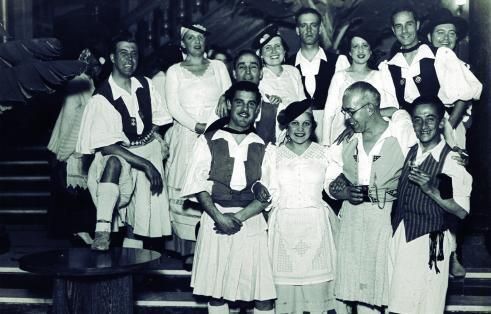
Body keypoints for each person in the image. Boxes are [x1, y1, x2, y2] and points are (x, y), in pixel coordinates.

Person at [180, 81, 275, 314]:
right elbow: (197, 184)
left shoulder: (265, 145)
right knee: (217, 292)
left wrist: (238, 218)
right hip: (215, 222)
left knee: (262, 295)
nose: (245, 109)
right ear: (230, 104)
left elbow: (268, 192)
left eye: (251, 104)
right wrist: (219, 217)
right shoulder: (207, 140)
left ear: (257, 109)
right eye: (239, 102)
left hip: (251, 222)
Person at [326, 81, 416, 313]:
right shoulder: (346, 139)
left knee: (387, 284)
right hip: (353, 219)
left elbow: (421, 155)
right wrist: (341, 191)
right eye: (345, 111)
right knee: (360, 290)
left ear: (370, 108)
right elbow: (329, 177)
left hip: (387, 216)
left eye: (350, 111)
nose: (346, 117)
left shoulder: (398, 133)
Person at [77, 33, 173, 250]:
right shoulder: (102, 97)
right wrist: (146, 164)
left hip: (147, 152)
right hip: (119, 155)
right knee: (113, 161)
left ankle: (132, 267)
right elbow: (107, 145)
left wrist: (149, 136)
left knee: (139, 221)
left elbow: (159, 118)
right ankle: (102, 230)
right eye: (123, 53)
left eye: (134, 54)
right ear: (112, 57)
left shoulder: (146, 85)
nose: (129, 59)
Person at [389, 97, 472, 314]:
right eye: (417, 120)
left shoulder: (450, 160)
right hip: (402, 238)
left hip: (429, 243)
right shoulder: (412, 152)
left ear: (442, 122)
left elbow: (461, 211)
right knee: (399, 306)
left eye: (430, 119)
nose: (423, 126)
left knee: (425, 307)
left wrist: (430, 189)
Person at [254, 99, 337, 314]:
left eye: (306, 124)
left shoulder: (325, 153)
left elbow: (332, 185)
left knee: (317, 294)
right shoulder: (273, 154)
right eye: (294, 124)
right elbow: (267, 187)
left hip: (316, 227)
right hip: (284, 228)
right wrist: (258, 188)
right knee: (285, 296)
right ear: (286, 126)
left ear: (313, 126)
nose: (300, 129)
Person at [164, 24, 231, 266]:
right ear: (183, 43)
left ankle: (215, 246)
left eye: (200, 37)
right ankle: (192, 250)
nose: (196, 41)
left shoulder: (219, 67)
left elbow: (228, 95)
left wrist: (215, 124)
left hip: (217, 133)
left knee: (214, 187)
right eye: (191, 38)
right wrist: (197, 127)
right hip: (188, 134)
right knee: (190, 188)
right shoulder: (174, 71)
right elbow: (173, 107)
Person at [422, 7, 475, 278]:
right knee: (429, 190)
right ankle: (433, 251)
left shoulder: (461, 66)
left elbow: (465, 100)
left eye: (451, 34)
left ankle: (454, 253)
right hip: (429, 133)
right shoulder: (426, 66)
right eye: (440, 33)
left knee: (452, 191)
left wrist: (449, 130)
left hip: (450, 133)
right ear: (430, 37)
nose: (445, 38)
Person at [381, 6, 482, 149]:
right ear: (393, 30)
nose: (404, 31)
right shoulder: (389, 67)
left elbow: (465, 95)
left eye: (409, 24)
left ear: (417, 25)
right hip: (410, 133)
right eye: (399, 26)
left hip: (442, 130)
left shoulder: (440, 55)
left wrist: (447, 128)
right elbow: (393, 108)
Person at [47, 48, 103, 243]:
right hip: (70, 145)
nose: (97, 67)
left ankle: (79, 229)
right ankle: (77, 230)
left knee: (80, 190)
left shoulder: (89, 82)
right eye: (94, 63)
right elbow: (69, 120)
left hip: (82, 145)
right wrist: (63, 151)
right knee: (72, 189)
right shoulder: (77, 82)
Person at [322, 32, 398, 146]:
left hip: (375, 135)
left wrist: (363, 117)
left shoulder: (380, 75)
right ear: (350, 52)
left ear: (370, 51)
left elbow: (394, 109)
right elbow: (329, 113)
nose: (360, 50)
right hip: (344, 134)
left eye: (365, 45)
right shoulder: (340, 76)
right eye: (355, 46)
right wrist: (326, 143)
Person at [286, 7, 348, 141]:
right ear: (297, 30)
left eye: (313, 25)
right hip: (300, 133)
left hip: (333, 129)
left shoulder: (338, 61)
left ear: (320, 29)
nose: (308, 30)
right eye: (303, 25)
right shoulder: (287, 65)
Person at [214, 49, 278, 144]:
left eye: (253, 67)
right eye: (242, 67)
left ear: (261, 73)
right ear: (234, 73)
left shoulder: (273, 106)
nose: (247, 72)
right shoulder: (221, 105)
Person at [255, 25, 306, 143]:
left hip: (297, 130)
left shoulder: (293, 71)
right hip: (270, 132)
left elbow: (302, 102)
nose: (274, 51)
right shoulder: (258, 74)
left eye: (278, 46)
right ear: (261, 54)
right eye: (268, 48)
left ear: (284, 51)